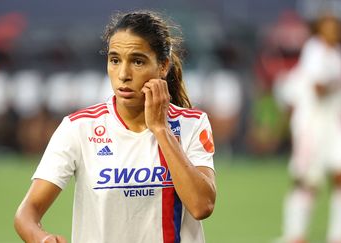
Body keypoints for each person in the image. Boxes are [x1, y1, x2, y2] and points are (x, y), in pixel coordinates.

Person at [14, 10, 217, 243]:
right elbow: (26, 215)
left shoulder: (192, 124)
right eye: (115, 60)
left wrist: (161, 130)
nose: (123, 74)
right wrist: (42, 239)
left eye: (137, 61)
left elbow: (202, 205)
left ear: (163, 66)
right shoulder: (79, 128)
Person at [277, 13, 341, 243]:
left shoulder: (334, 54)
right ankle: (295, 234)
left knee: (339, 177)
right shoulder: (315, 51)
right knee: (306, 179)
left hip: (332, 125)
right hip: (312, 126)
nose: (333, 32)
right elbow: (318, 87)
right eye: (328, 27)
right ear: (319, 29)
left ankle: (337, 234)